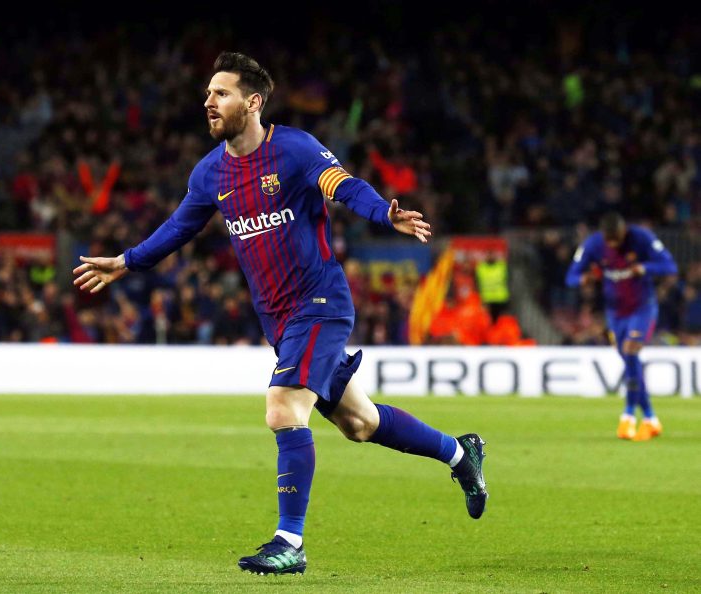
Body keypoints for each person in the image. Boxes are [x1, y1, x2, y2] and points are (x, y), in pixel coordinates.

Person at [73, 52, 488, 576]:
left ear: (253, 101)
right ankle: (460, 453)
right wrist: (127, 261)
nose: (209, 101)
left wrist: (384, 212)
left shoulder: (293, 148)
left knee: (282, 406)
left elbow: (341, 186)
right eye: (207, 93)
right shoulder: (210, 173)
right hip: (280, 319)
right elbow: (179, 228)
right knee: (361, 423)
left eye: (220, 93)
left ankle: (289, 542)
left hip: (320, 304)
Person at [565, 212, 677, 441]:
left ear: (624, 230)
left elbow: (669, 265)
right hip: (615, 313)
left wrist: (644, 268)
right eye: (610, 240)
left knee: (631, 349)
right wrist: (583, 280)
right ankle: (650, 418)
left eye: (617, 238)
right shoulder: (593, 244)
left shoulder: (642, 238)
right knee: (630, 361)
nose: (614, 244)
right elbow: (570, 276)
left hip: (642, 308)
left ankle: (627, 418)